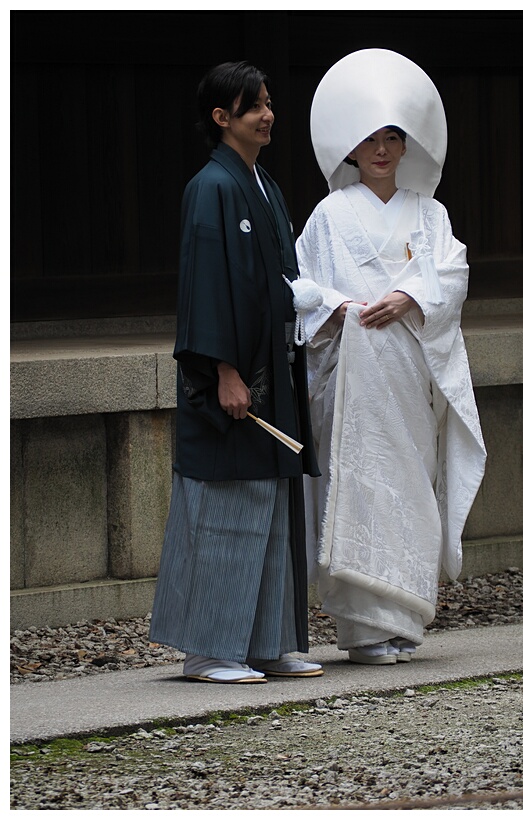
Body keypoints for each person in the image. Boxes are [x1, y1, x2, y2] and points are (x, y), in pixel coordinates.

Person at [296, 49, 487, 665]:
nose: (381, 149)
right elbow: (301, 287)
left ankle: (403, 617)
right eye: (370, 139)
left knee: (408, 482)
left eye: (393, 137)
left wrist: (410, 295)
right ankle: (360, 630)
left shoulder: (430, 214)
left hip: (408, 372)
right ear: (350, 148)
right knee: (358, 480)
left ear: (408, 146)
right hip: (354, 375)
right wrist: (340, 308)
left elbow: (451, 275)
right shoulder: (328, 215)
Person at [149, 61, 323, 683]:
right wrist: (224, 370)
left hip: (271, 366)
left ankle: (266, 642)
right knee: (224, 504)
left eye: (270, 102)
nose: (268, 114)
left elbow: (278, 278)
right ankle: (208, 649)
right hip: (233, 372)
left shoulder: (263, 184)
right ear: (223, 118)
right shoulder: (212, 187)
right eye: (255, 107)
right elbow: (207, 290)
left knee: (273, 502)